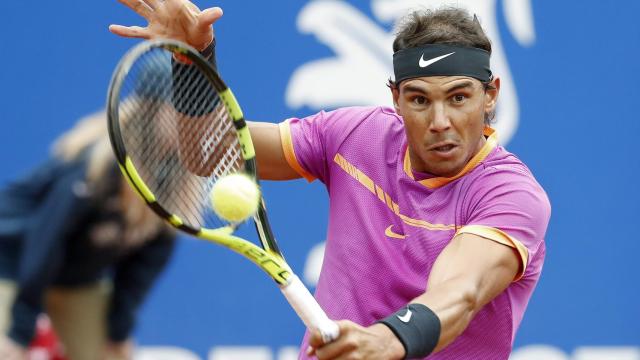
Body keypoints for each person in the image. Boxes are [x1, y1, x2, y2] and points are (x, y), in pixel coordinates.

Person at [109, 1, 551, 359]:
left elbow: (462, 291)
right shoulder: (355, 136)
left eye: (459, 97)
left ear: (490, 93)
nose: (440, 121)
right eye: (419, 99)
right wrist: (192, 62)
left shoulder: (510, 194)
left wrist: (386, 339)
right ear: (395, 98)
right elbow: (209, 151)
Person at [0, 111, 177, 360]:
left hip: (77, 278)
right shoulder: (94, 169)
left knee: (113, 355)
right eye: (177, 115)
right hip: (11, 262)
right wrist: (18, 333)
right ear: (152, 117)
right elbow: (45, 244)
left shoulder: (174, 183)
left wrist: (118, 332)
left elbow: (140, 271)